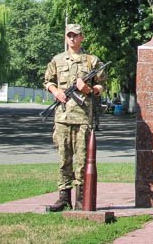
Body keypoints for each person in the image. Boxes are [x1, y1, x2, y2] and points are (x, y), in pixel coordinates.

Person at [43, 23, 106, 211]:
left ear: (82, 37)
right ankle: (63, 198)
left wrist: (88, 89)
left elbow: (102, 85)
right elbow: (48, 81)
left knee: (82, 160)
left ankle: (80, 198)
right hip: (62, 117)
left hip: (83, 118)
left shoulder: (92, 61)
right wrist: (56, 92)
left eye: (75, 35)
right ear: (66, 38)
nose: (72, 38)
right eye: (69, 35)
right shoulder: (57, 60)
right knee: (64, 159)